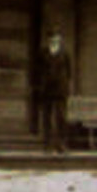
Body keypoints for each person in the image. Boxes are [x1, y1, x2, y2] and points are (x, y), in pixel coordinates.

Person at [34, 26, 73, 154]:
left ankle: (61, 144)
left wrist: (66, 86)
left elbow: (69, 72)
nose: (54, 40)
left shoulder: (65, 53)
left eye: (56, 37)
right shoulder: (43, 53)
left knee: (61, 117)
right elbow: (38, 71)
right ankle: (47, 145)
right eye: (51, 38)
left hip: (61, 90)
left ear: (60, 39)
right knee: (47, 118)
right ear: (48, 39)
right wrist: (41, 85)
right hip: (47, 90)